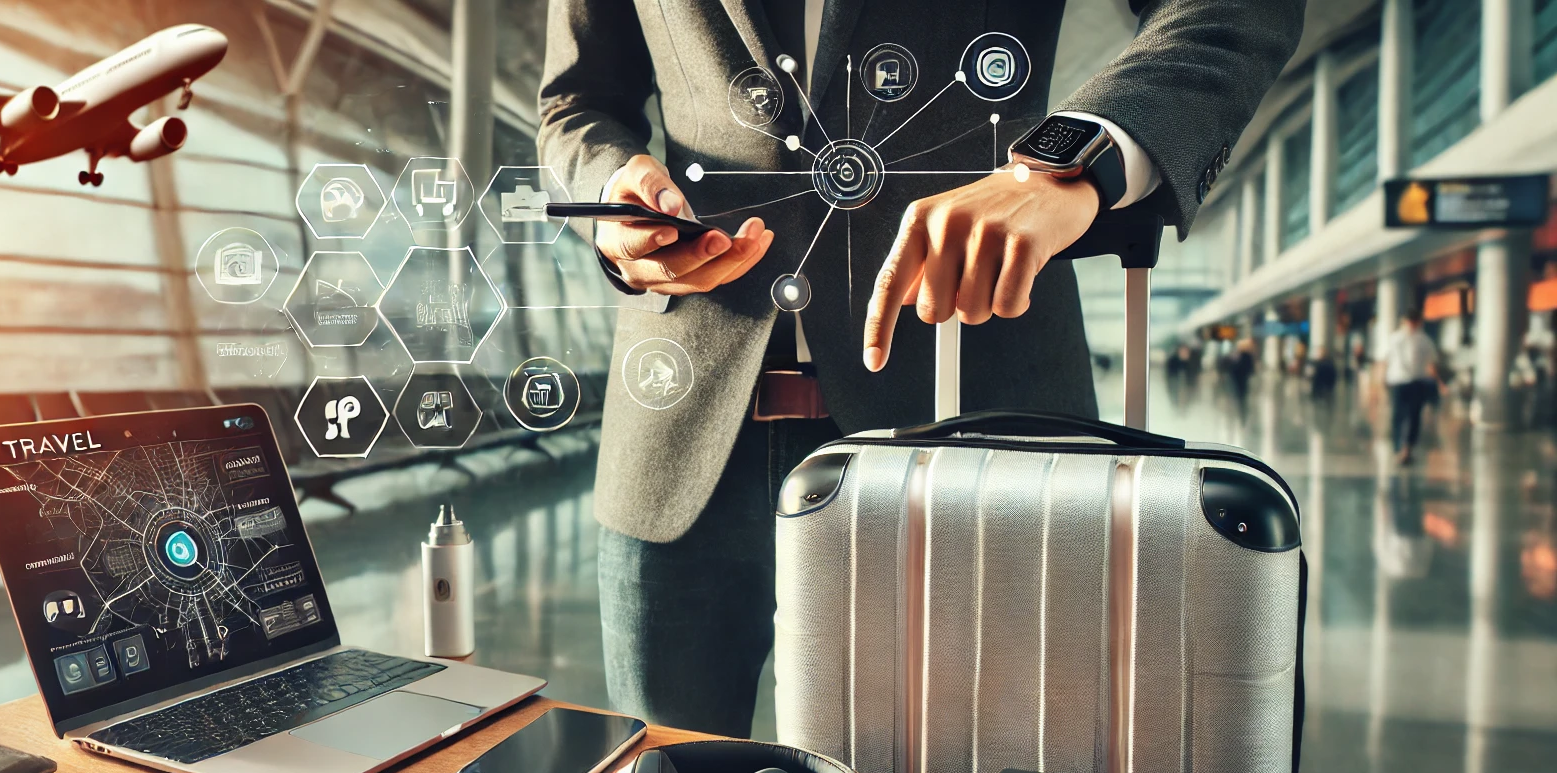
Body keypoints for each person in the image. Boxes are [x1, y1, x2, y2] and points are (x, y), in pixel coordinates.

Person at [539, 0, 1304, 736]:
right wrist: (609, 191)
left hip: (975, 418)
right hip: (678, 442)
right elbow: (575, 103)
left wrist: (1075, 160)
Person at [1378, 312, 1440, 466]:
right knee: (1398, 415)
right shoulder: (1395, 339)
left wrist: (1438, 382)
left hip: (1417, 381)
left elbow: (1431, 365)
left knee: (1413, 416)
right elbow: (1385, 360)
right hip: (1398, 380)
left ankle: (1407, 448)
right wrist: (1382, 378)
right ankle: (1400, 448)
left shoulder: (1424, 340)